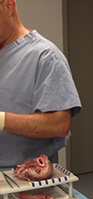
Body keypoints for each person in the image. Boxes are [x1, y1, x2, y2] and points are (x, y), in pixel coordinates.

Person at [0, 0, 81, 170]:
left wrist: (2, 120)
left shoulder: (45, 57)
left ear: (8, 5)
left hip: (26, 177)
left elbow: (60, 124)